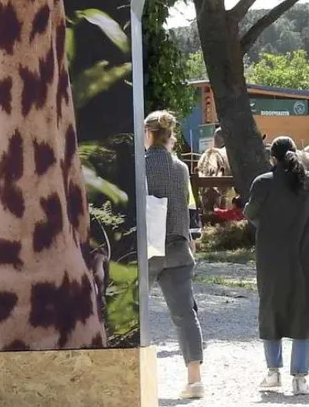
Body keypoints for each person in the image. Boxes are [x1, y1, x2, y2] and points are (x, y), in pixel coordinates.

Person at [246, 136, 309, 396]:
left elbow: (250, 213)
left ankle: (273, 372)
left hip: (273, 257)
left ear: (272, 158)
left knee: (271, 309)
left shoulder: (263, 182)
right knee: (305, 311)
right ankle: (300, 378)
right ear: (296, 153)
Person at [143, 110, 205, 400]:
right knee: (185, 316)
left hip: (147, 249)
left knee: (132, 312)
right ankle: (195, 380)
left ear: (148, 133)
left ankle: (133, 376)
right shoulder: (180, 168)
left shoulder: (139, 165)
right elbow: (186, 206)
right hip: (178, 248)